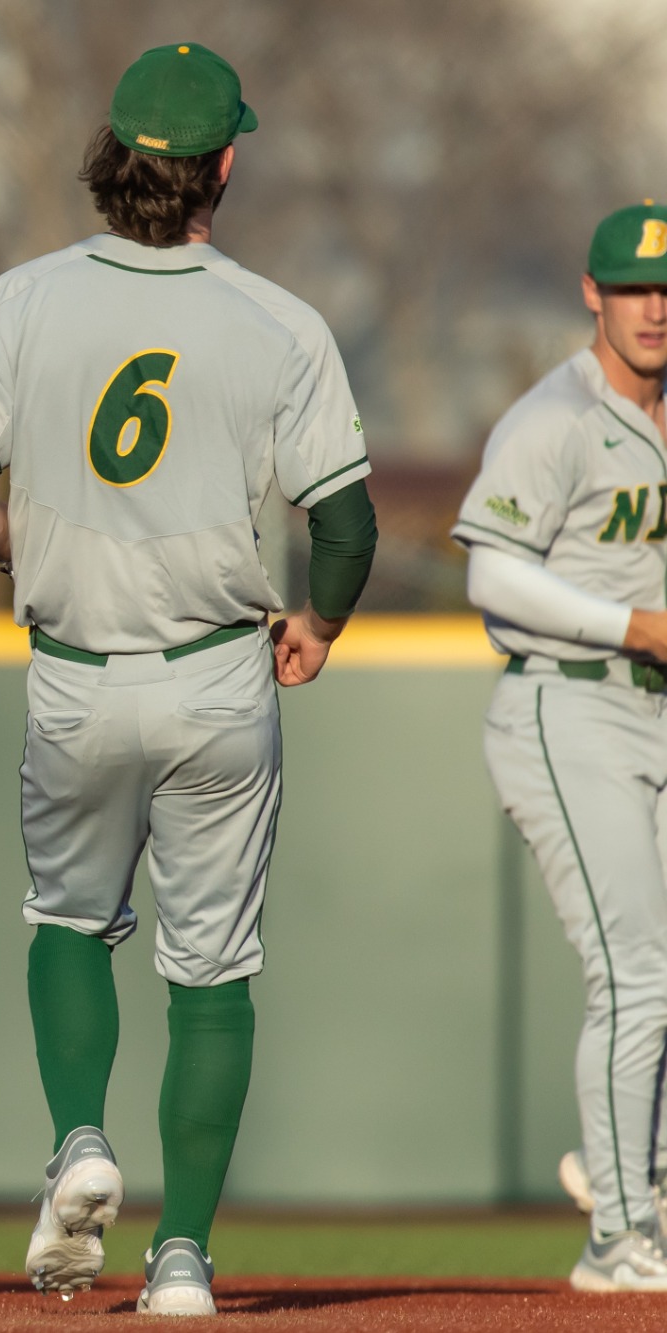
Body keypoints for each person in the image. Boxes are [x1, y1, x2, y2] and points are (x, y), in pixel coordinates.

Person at [0, 42, 377, 1316]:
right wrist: (319, 627)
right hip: (219, 673)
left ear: (114, 158)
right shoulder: (278, 320)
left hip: (72, 672)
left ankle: (77, 1138)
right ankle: (180, 1257)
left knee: (67, 924)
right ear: (224, 164)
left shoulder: (22, 298)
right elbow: (343, 528)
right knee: (210, 972)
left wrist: (43, 541)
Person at [456, 201, 667, 1292]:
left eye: (664, 287)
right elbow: (486, 573)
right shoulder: (554, 416)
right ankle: (614, 1239)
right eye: (630, 287)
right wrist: (628, 624)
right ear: (591, 293)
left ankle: (641, 1186)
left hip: (651, 707)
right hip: (564, 702)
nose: (651, 306)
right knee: (633, 974)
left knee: (658, 976)